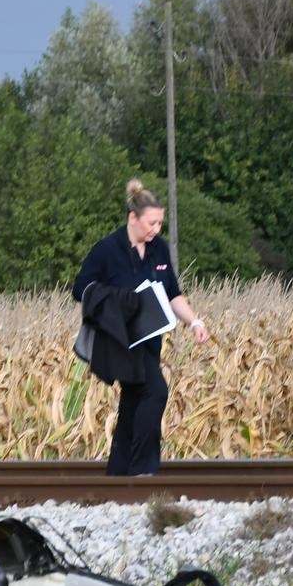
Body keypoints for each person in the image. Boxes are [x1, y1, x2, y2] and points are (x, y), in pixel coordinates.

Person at [72, 179, 210, 476]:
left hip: (150, 339)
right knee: (155, 391)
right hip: (120, 342)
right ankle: (143, 469)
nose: (156, 230)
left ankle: (120, 471)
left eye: (160, 223)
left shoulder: (158, 249)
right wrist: (118, 300)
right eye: (151, 223)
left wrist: (194, 321)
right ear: (132, 218)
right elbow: (80, 289)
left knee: (134, 399)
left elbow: (173, 293)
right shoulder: (107, 250)